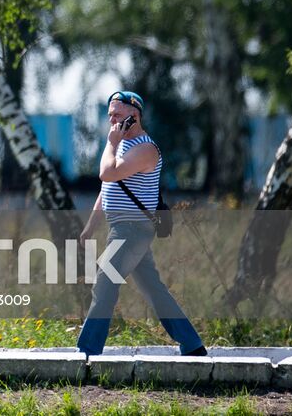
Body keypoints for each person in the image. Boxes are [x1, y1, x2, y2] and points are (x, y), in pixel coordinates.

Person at [76, 90, 206, 357]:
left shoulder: (145, 149)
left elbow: (106, 172)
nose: (112, 121)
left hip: (133, 229)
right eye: (110, 115)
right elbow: (107, 187)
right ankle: (192, 345)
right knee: (154, 290)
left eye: (118, 116)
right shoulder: (121, 145)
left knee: (104, 282)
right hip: (122, 227)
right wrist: (90, 227)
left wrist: (110, 143)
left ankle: (87, 352)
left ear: (134, 117)